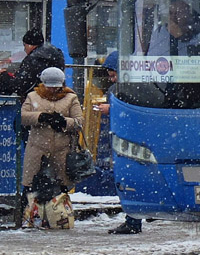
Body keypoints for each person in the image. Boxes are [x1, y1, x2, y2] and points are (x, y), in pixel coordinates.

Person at [95, 52, 144, 235]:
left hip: (129, 142)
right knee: (127, 181)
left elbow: (133, 110)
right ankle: (132, 219)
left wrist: (111, 108)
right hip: (123, 140)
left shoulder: (130, 89)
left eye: (113, 74)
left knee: (130, 180)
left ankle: (133, 221)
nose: (111, 78)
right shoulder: (124, 87)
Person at [19, 67, 83, 205]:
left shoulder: (71, 98)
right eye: (50, 87)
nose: (53, 90)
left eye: (56, 87)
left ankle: (57, 217)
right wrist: (40, 117)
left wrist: (64, 121)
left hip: (62, 151)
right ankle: (29, 215)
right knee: (31, 186)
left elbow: (79, 122)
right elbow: (23, 117)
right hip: (37, 149)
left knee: (61, 187)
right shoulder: (32, 97)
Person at [0, 28, 66, 96]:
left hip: (37, 98)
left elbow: (19, 86)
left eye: (24, 45)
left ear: (30, 45)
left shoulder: (33, 59)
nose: (24, 49)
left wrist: (4, 75)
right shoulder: (55, 54)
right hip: (56, 96)